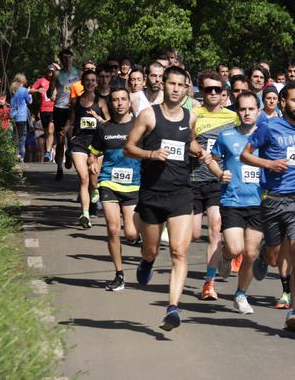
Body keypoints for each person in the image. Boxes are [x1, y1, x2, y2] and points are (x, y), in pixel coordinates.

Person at [124, 66, 205, 331]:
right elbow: (129, 147)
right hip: (152, 193)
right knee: (151, 249)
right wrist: (150, 155)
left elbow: (187, 142)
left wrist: (199, 151)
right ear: (163, 84)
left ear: (186, 89)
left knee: (179, 251)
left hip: (181, 192)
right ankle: (146, 261)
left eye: (181, 85)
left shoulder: (191, 118)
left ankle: (173, 309)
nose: (176, 89)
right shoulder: (149, 116)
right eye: (172, 83)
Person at [242, 82, 295, 332]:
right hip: (273, 199)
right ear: (282, 102)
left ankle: (294, 310)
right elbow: (245, 155)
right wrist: (268, 164)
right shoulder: (268, 127)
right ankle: (263, 253)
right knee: (274, 257)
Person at [204, 91, 264, 314]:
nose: (247, 113)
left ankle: (240, 295)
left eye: (251, 109)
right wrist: (220, 174)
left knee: (250, 253)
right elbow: (210, 158)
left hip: (258, 201)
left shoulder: (266, 136)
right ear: (237, 111)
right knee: (236, 247)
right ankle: (226, 256)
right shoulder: (226, 136)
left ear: (258, 111)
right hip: (232, 200)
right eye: (243, 109)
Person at [88, 87, 141, 291]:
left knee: (131, 234)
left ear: (129, 102)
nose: (119, 103)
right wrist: (92, 162)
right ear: (111, 103)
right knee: (112, 228)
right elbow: (93, 153)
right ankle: (119, 275)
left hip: (134, 183)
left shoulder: (139, 126)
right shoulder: (104, 128)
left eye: (123, 99)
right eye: (115, 100)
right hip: (108, 181)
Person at [191, 70, 239, 300]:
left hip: (218, 182)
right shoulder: (193, 114)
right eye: (208, 89)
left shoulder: (233, 118)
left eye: (216, 89)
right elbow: (185, 139)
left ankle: (209, 283)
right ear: (201, 91)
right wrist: (195, 149)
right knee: (191, 234)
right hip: (192, 180)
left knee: (215, 231)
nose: (212, 93)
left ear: (224, 93)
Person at [67, 71, 110, 228]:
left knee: (93, 178)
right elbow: (71, 121)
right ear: (83, 82)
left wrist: (96, 117)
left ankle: (96, 189)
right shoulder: (76, 101)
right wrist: (65, 131)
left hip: (97, 143)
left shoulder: (101, 102)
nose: (91, 83)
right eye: (87, 80)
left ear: (96, 83)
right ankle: (85, 214)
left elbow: (108, 122)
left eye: (93, 80)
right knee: (83, 178)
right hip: (79, 143)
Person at [53, 49, 80, 180]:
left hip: (73, 108)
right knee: (60, 139)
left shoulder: (78, 73)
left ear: (72, 58)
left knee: (71, 138)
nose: (67, 60)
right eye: (64, 57)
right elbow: (49, 92)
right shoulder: (57, 74)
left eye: (69, 57)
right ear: (61, 60)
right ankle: (59, 168)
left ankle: (69, 153)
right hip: (59, 107)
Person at [31, 65, 57, 162]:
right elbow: (30, 90)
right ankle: (50, 148)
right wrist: (37, 90)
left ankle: (48, 152)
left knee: (50, 130)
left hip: (54, 110)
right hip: (43, 110)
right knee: (47, 132)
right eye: (49, 71)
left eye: (52, 71)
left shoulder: (57, 82)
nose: (50, 73)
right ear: (46, 71)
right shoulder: (41, 80)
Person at [9, 73, 32, 163]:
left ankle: (15, 155)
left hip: (13, 115)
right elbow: (29, 101)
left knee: (15, 136)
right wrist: (30, 95)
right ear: (22, 81)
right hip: (21, 117)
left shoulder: (12, 89)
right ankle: (21, 157)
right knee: (22, 137)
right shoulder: (24, 90)